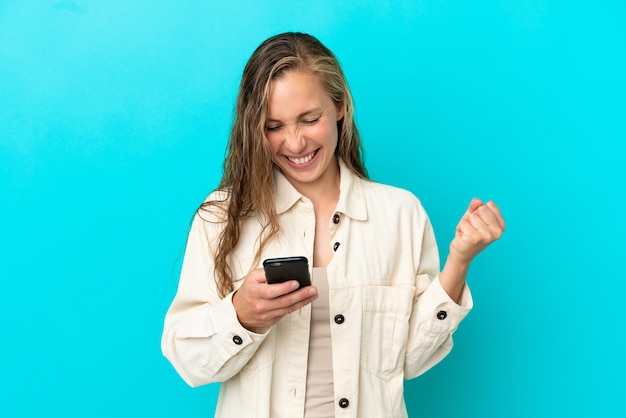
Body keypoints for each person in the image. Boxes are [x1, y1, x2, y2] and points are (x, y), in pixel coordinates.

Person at [161, 32, 505, 418]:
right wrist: (241, 315)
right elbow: (187, 360)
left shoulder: (400, 213)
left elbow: (409, 361)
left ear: (340, 106)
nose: (294, 143)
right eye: (273, 126)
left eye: (310, 119)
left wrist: (458, 262)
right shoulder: (223, 215)